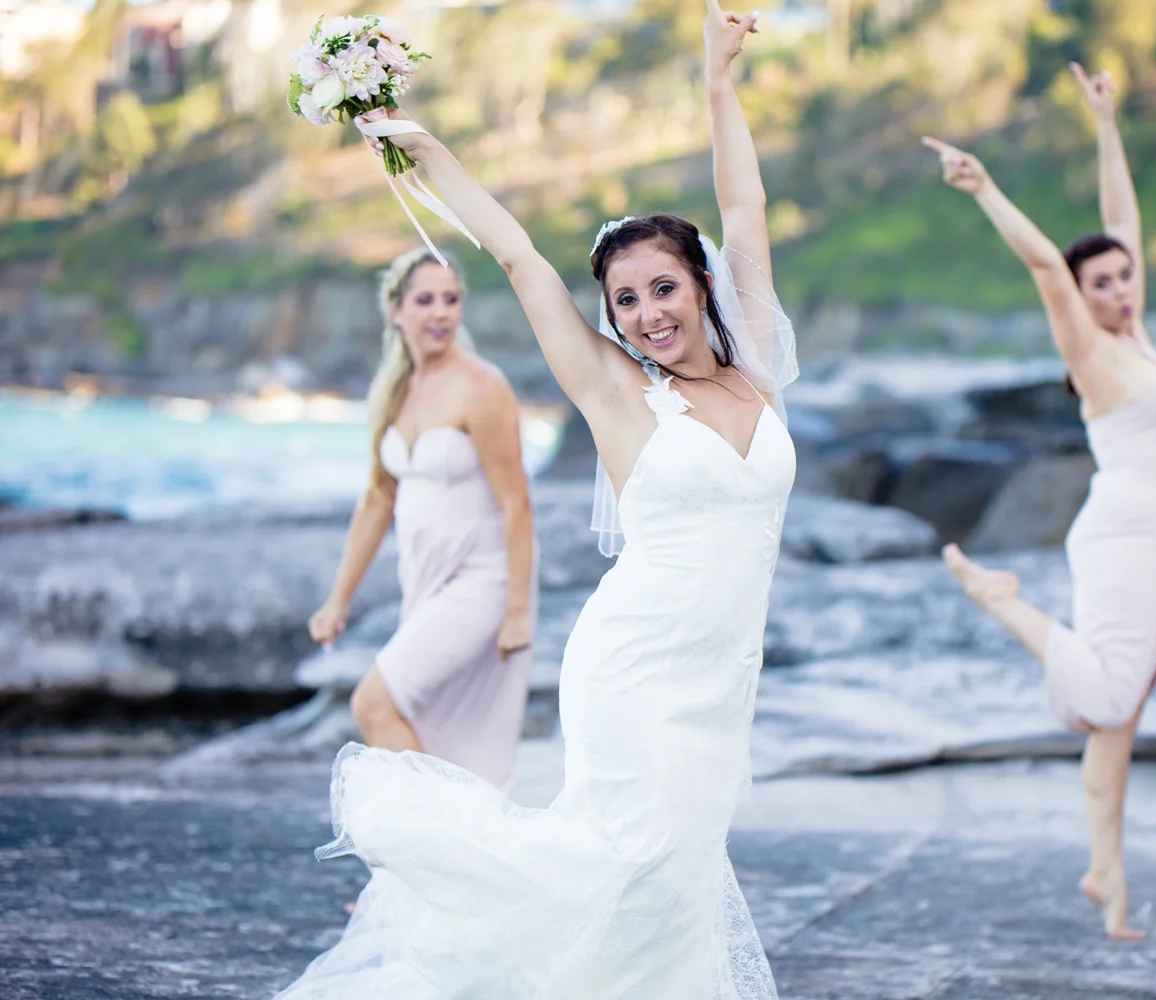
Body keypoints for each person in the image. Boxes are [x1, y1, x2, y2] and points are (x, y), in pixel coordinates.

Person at [275, 3, 795, 996]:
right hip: (632, 667)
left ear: (703, 285)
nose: (646, 315)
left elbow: (747, 207)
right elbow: (517, 255)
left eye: (663, 289)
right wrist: (419, 144)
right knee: (619, 865)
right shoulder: (618, 392)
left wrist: (718, 84)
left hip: (721, 681)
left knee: (678, 879)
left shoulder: (758, 371)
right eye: (625, 301)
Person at [930, 65, 1156, 940]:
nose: (1121, 290)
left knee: (1126, 709)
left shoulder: (1139, 338)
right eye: (1105, 286)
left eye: (1127, 279)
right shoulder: (1094, 357)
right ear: (1082, 305)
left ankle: (1106, 872)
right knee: (1111, 697)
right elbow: (1049, 264)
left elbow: (1120, 223)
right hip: (1128, 538)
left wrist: (1106, 124)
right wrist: (985, 188)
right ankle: (1002, 601)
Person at [307, 247, 536, 794]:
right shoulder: (393, 392)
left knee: (373, 703)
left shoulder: (482, 387)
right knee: (428, 727)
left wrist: (517, 613)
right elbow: (376, 500)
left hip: (482, 581)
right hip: (424, 581)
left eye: (451, 300)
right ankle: (457, 833)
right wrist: (338, 600)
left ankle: (440, 828)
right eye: (426, 300)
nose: (441, 313)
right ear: (397, 311)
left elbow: (517, 504)